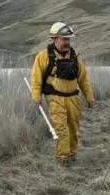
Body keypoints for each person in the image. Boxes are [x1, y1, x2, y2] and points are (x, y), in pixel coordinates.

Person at [29, 22, 95, 164]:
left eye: (68, 39)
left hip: (73, 98)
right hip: (54, 98)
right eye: (64, 39)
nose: (67, 42)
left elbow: (83, 79)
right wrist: (36, 96)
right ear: (54, 38)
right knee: (61, 128)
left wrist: (90, 97)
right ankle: (62, 158)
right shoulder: (44, 56)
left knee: (73, 127)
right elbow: (36, 78)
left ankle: (72, 154)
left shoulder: (75, 57)